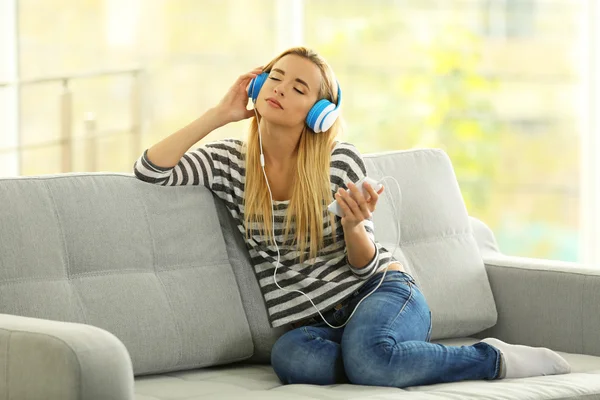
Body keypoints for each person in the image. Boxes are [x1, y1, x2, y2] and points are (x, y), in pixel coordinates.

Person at [133, 46, 571, 388]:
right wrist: (220, 114)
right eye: (276, 77)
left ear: (320, 116)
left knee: (368, 358)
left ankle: (494, 358)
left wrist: (352, 224)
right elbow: (150, 170)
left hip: (381, 291)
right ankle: (384, 357)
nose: (280, 88)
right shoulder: (228, 163)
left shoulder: (339, 163)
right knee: (295, 360)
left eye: (299, 88)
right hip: (313, 324)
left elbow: (365, 264)